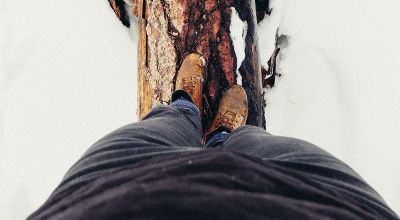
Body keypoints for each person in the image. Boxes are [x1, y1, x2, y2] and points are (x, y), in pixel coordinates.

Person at [29, 53, 398, 219]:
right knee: (257, 141)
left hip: (103, 195)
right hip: (325, 201)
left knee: (160, 127)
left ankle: (186, 108)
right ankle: (222, 135)